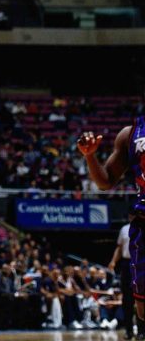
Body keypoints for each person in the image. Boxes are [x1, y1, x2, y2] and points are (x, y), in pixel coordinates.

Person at [80, 117, 145, 340]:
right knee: (141, 307)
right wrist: (90, 156)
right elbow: (105, 181)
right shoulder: (131, 133)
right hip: (143, 226)